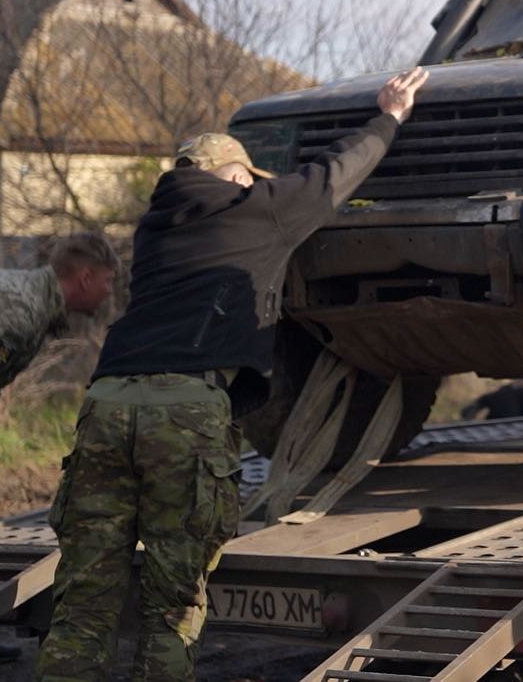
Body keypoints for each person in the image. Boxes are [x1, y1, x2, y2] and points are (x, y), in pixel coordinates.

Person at [34, 66, 430, 682]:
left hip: (107, 401)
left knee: (84, 597)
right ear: (239, 175)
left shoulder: (153, 228)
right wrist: (390, 114)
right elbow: (335, 174)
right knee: (172, 603)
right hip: (186, 406)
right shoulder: (255, 208)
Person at [0, 232, 118, 665]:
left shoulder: (34, 304)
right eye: (107, 281)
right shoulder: (21, 311)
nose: (110, 292)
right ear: (84, 278)